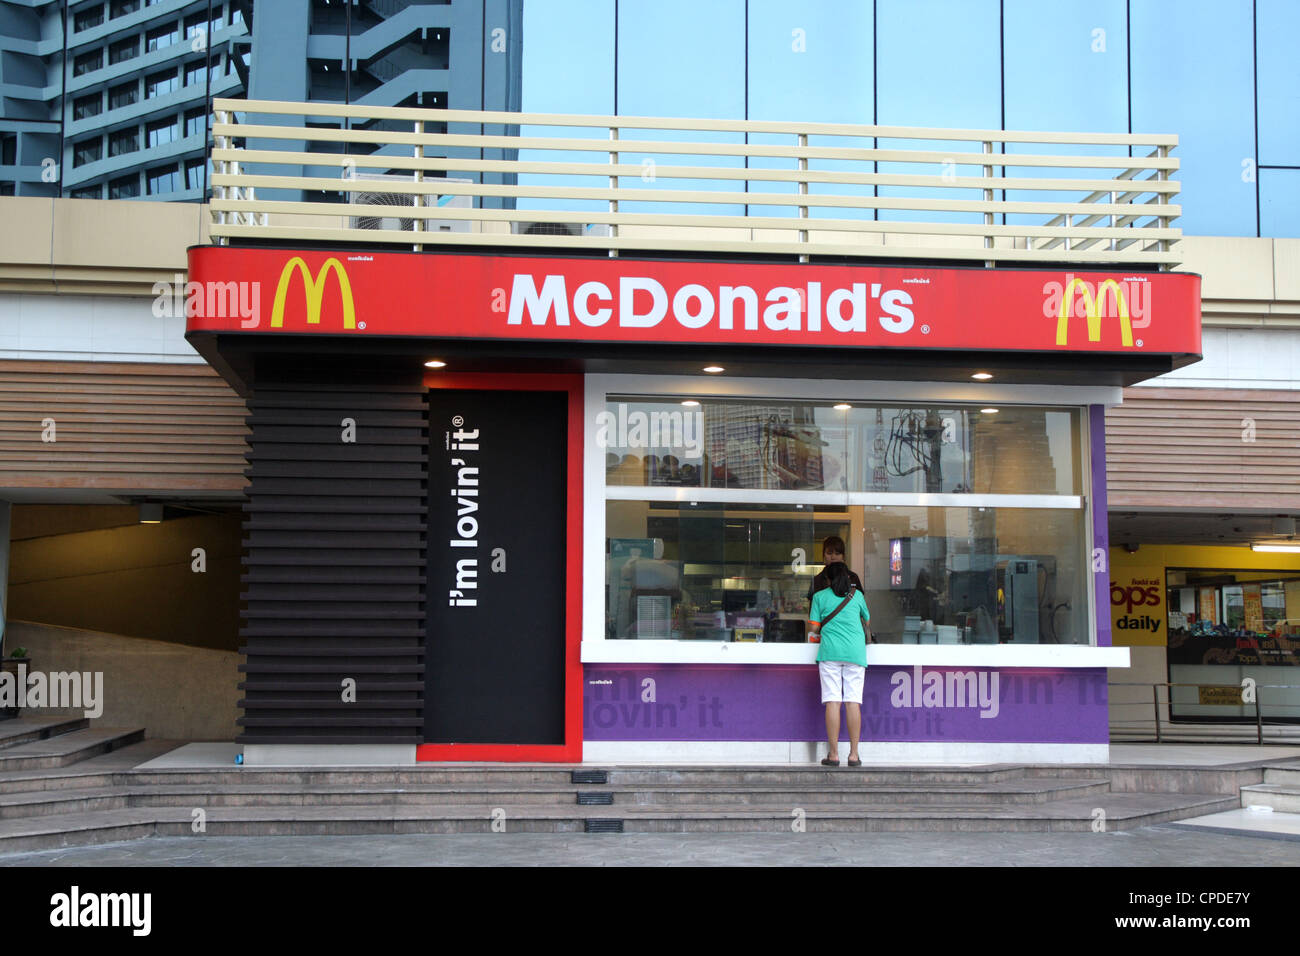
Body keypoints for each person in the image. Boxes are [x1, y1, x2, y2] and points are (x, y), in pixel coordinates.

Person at [807, 561, 871, 768]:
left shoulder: (819, 597)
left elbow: (814, 629)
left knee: (833, 701)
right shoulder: (858, 596)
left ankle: (833, 754)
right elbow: (867, 620)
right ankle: (854, 755)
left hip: (830, 653)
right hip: (855, 653)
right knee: (853, 702)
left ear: (827, 579)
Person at [805, 535, 862, 602]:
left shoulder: (853, 577)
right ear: (823, 555)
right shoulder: (817, 580)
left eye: (837, 553)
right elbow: (813, 608)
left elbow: (860, 603)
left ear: (843, 556)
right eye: (829, 553)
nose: (833, 557)